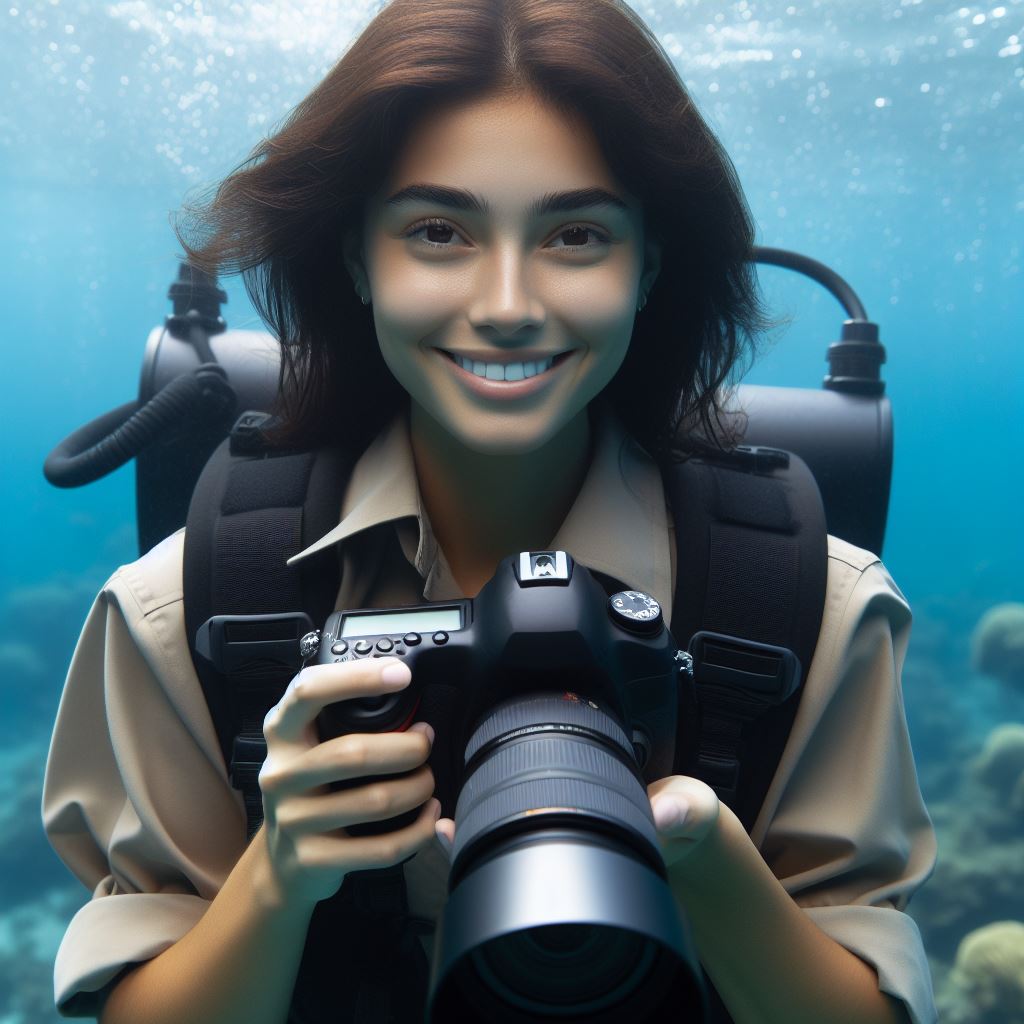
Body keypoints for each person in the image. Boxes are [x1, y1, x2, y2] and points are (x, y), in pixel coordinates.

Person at [41, 1, 938, 1022]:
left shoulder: (809, 607)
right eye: (437, 230)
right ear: (354, 258)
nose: (507, 300)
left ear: (649, 265)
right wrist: (279, 869)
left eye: (575, 233)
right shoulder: (186, 609)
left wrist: (702, 848)